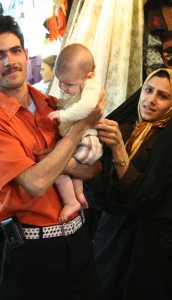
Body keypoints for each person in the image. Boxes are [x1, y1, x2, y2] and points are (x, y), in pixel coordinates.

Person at [0, 15, 105, 300]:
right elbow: (35, 183)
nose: (9, 61)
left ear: (25, 54)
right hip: (33, 255)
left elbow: (94, 169)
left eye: (14, 51)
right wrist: (78, 131)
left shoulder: (55, 104)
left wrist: (65, 162)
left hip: (80, 242)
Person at [85, 68, 172, 300]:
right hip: (111, 234)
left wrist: (118, 149)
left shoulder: (169, 145)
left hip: (146, 245)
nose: (151, 101)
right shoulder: (123, 128)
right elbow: (99, 185)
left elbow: (142, 195)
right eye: (148, 90)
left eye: (163, 96)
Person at [48, 43, 103, 223]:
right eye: (60, 82)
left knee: (56, 170)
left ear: (90, 75)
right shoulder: (80, 83)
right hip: (83, 140)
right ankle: (79, 197)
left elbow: (87, 108)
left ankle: (70, 201)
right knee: (72, 172)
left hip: (87, 142)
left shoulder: (92, 85)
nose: (63, 87)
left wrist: (64, 114)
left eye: (68, 84)